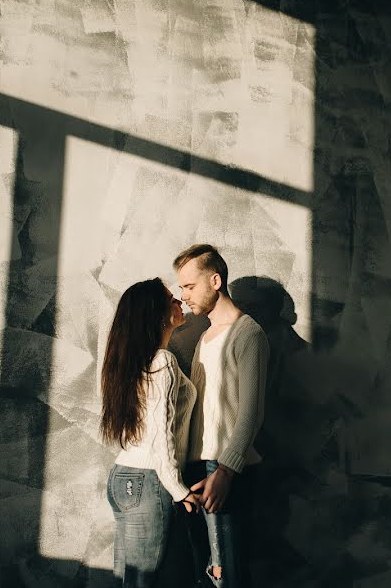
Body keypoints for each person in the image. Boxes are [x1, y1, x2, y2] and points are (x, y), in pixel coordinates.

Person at [174, 244, 269, 587]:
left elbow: (251, 412)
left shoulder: (249, 334)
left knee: (228, 575)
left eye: (189, 286)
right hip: (197, 468)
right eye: (180, 287)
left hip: (226, 470)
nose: (182, 295)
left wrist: (226, 471)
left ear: (215, 280)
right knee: (206, 573)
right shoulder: (205, 337)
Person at [100, 278, 203, 587]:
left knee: (131, 580)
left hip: (125, 478)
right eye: (172, 300)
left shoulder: (135, 362)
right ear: (157, 314)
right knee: (142, 582)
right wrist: (179, 488)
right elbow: (162, 435)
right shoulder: (163, 362)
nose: (181, 302)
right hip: (149, 481)